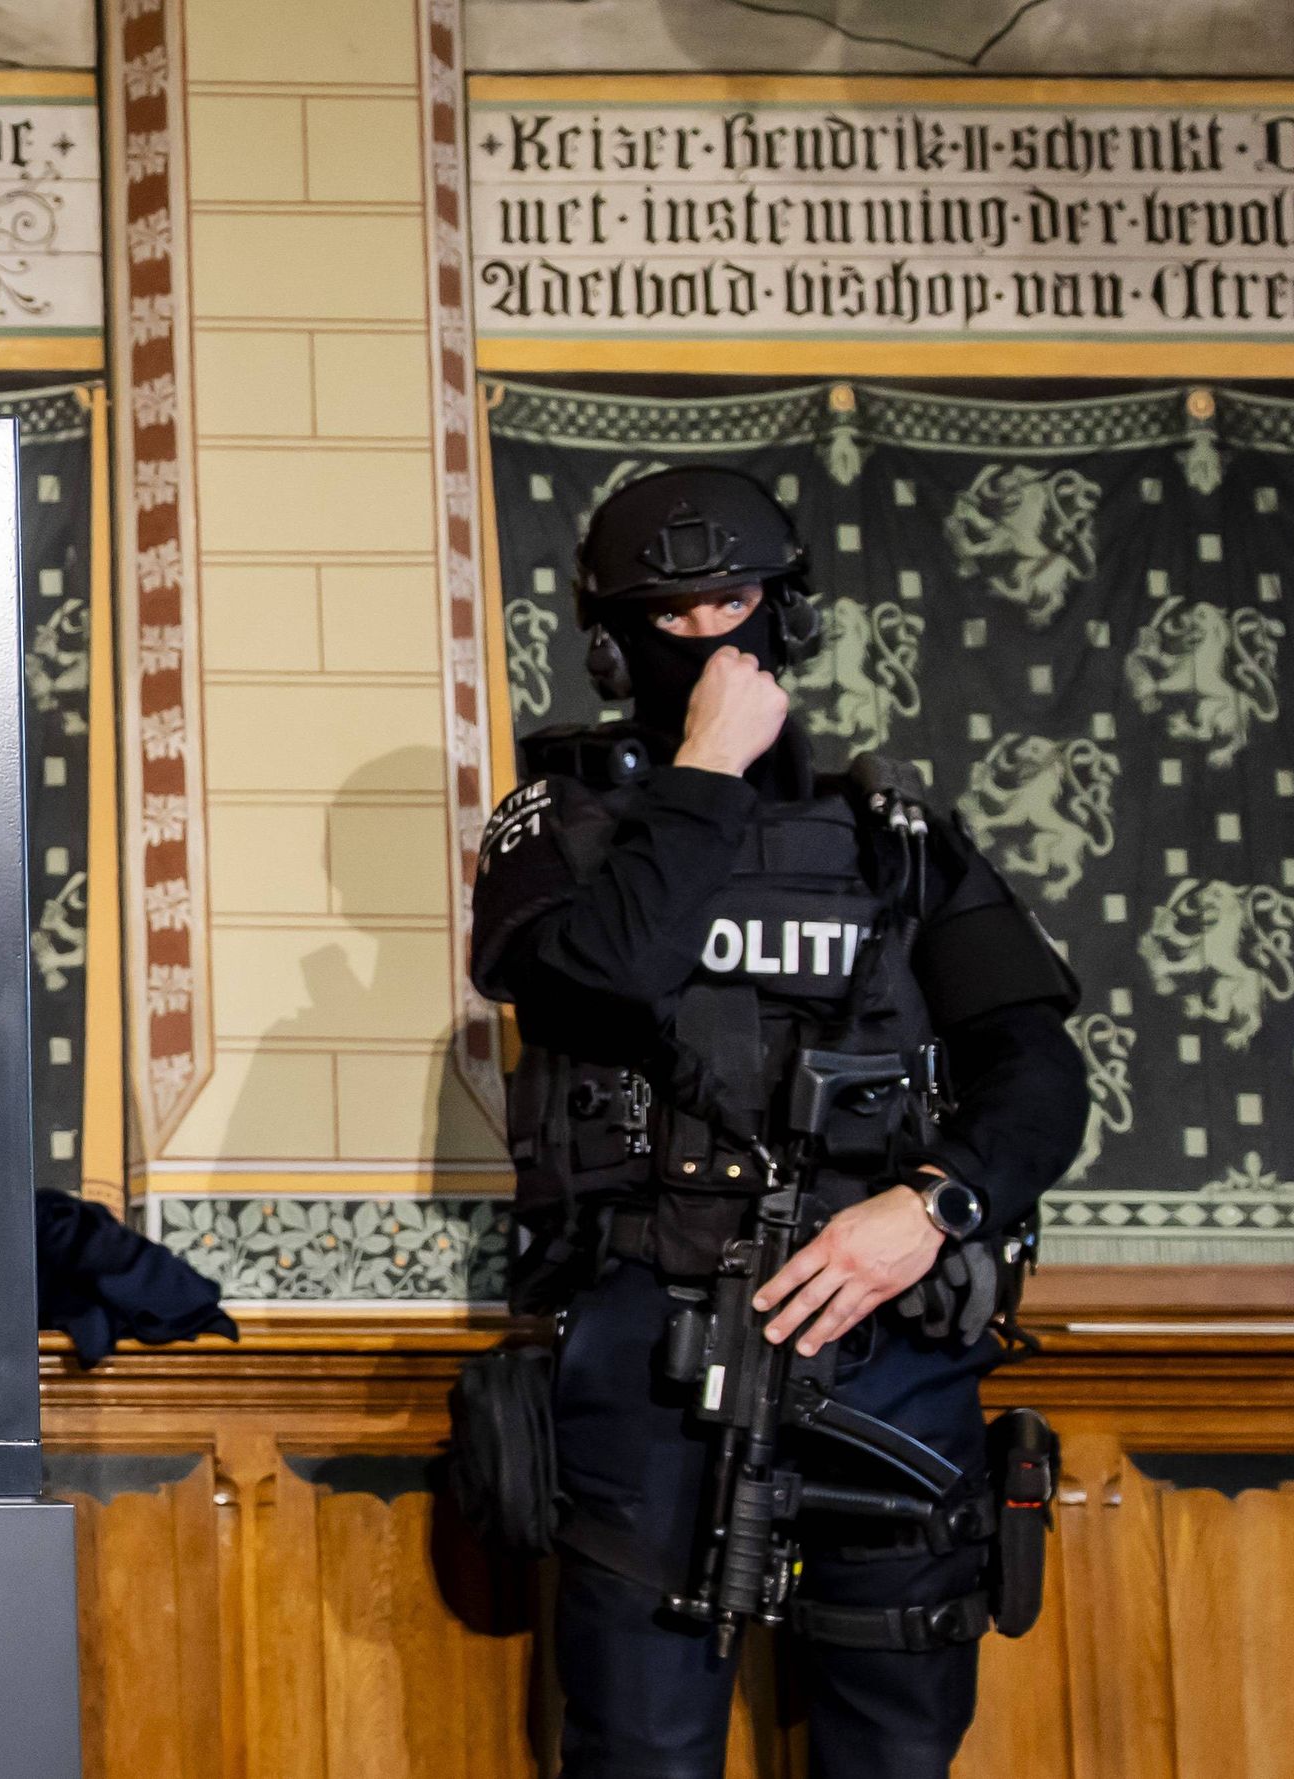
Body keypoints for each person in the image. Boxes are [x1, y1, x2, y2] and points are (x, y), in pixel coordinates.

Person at [469, 467, 1088, 1779]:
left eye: (736, 599)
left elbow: (1038, 1072)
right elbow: (608, 972)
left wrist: (931, 1209)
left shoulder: (894, 835)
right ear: (612, 632)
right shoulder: (554, 824)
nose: (710, 634)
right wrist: (705, 773)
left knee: (898, 1736)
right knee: (641, 1743)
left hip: (888, 1322)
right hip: (656, 1332)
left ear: (786, 613)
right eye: (673, 611)